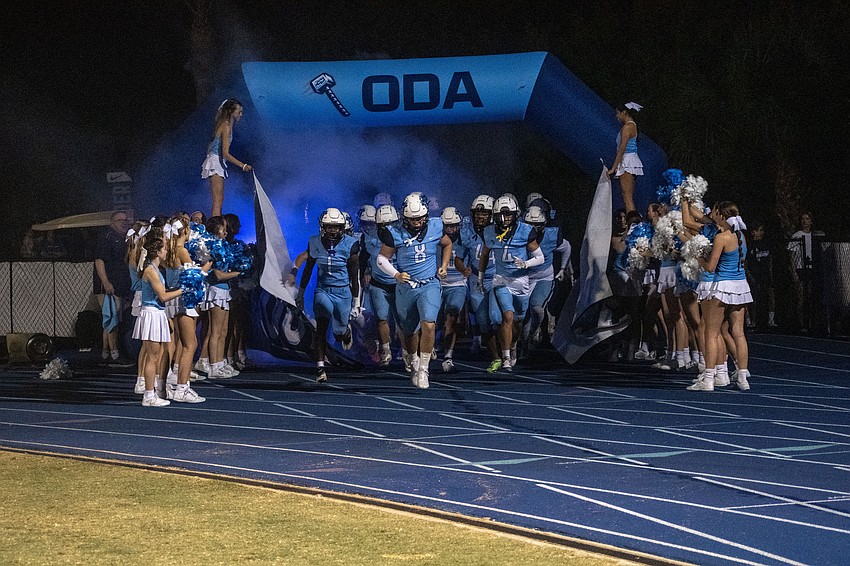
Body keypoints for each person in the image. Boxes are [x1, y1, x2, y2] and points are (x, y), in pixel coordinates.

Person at [376, 192, 452, 389]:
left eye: (419, 218)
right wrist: (396, 274)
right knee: (409, 332)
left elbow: (447, 244)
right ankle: (413, 359)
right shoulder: (395, 233)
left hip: (429, 284)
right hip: (407, 287)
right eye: (412, 219)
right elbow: (381, 259)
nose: (417, 222)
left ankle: (424, 368)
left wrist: (443, 265)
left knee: (429, 324)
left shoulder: (436, 226)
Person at [685, 200, 752, 392]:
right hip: (740, 287)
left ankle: (708, 379)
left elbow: (710, 267)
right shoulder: (741, 236)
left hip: (721, 287)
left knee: (711, 334)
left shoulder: (722, 237)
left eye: (716, 213)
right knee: (739, 333)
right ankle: (742, 378)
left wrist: (697, 255)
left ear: (722, 216)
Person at [479, 194, 544, 372]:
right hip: (501, 279)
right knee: (506, 316)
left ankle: (513, 345)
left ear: (515, 215)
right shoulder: (490, 231)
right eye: (500, 215)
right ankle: (506, 357)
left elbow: (540, 257)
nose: (504, 218)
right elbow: (485, 254)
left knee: (517, 321)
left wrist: (526, 263)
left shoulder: (525, 231)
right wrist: (480, 276)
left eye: (508, 215)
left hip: (520, 280)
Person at [297, 208, 361, 383]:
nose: (333, 230)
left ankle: (345, 332)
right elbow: (309, 268)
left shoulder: (351, 245)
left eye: (336, 227)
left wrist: (356, 302)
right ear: (322, 227)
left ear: (342, 228)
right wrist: (301, 293)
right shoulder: (314, 243)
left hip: (343, 292)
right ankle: (320, 367)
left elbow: (355, 276)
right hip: (323, 290)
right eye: (329, 227)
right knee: (321, 326)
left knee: (338, 332)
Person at [133, 237, 185, 407]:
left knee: (158, 354)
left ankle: (152, 392)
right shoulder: (150, 270)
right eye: (163, 249)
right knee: (153, 357)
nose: (166, 251)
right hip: (151, 314)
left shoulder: (156, 268)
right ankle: (148, 396)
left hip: (157, 312)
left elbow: (163, 292)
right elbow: (163, 296)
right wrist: (183, 290)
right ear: (156, 252)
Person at [162, 215, 207, 403]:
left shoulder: (169, 250)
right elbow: (196, 275)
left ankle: (165, 384)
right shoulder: (181, 251)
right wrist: (209, 261)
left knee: (174, 343)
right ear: (185, 231)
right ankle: (182, 388)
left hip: (172, 299)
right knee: (190, 345)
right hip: (183, 300)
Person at [457, 195, 501, 370]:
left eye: (484, 213)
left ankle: (507, 350)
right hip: (476, 279)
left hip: (496, 277)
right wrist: (463, 269)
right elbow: (459, 258)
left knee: (497, 317)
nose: (480, 217)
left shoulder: (500, 230)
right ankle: (496, 357)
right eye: (478, 213)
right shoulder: (467, 232)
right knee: (483, 322)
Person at [521, 204, 571, 354]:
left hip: (543, 277)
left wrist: (562, 268)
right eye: (531, 224)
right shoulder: (516, 234)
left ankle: (531, 336)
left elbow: (566, 247)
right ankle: (519, 347)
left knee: (537, 310)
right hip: (522, 277)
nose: (534, 228)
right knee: (520, 315)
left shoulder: (551, 235)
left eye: (537, 225)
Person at [359, 204, 400, 366]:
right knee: (381, 318)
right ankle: (386, 350)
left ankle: (408, 352)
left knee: (403, 321)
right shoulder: (369, 237)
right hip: (378, 283)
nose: (388, 228)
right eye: (384, 224)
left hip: (399, 283)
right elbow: (363, 258)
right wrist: (365, 272)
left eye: (391, 224)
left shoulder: (404, 236)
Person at [93, 211, 133, 364]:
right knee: (113, 318)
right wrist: (105, 282)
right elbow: (99, 261)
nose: (123, 222)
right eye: (119, 220)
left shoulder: (124, 239)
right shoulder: (107, 238)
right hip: (110, 286)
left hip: (120, 285)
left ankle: (105, 353)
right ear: (112, 223)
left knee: (109, 319)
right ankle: (115, 354)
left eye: (125, 220)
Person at [202, 98, 252, 217]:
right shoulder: (226, 126)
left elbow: (210, 146)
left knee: (219, 199)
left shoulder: (224, 124)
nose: (241, 114)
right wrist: (242, 165)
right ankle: (215, 229)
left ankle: (216, 225)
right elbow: (225, 153)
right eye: (238, 111)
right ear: (231, 112)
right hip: (216, 161)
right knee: (218, 200)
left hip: (216, 160)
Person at [437, 207, 469, 372]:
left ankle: (448, 356)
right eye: (448, 226)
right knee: (431, 320)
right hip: (436, 284)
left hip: (457, 283)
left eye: (455, 226)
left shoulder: (465, 240)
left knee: (452, 315)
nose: (452, 229)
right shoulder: (434, 238)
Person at [607, 102, 644, 213]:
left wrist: (613, 168)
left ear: (624, 112)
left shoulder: (628, 127)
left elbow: (622, 149)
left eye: (618, 113)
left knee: (627, 197)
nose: (617, 116)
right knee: (626, 196)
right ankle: (632, 223)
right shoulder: (631, 126)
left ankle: (632, 224)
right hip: (629, 160)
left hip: (628, 161)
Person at [747, 219, 777, 330]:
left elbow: (770, 260)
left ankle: (771, 319)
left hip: (765, 274)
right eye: (757, 231)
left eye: (761, 230)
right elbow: (746, 263)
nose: (760, 233)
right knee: (753, 298)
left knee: (770, 295)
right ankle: (752, 321)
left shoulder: (766, 244)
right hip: (754, 274)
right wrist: (750, 276)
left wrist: (770, 274)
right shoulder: (749, 245)